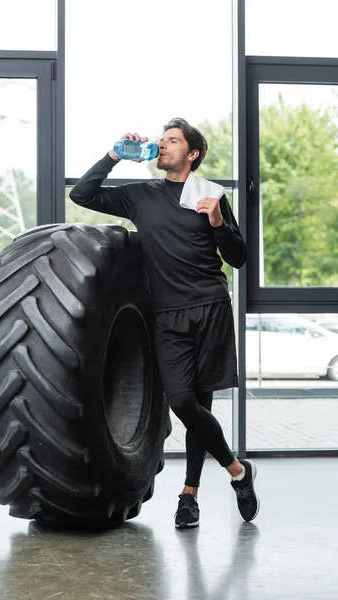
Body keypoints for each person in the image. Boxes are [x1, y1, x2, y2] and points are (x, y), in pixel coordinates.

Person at [70, 117, 259, 528]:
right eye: (162, 140)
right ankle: (238, 471)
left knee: (200, 405)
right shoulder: (141, 196)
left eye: (172, 141)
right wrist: (113, 154)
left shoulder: (211, 195)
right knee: (182, 402)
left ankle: (188, 497)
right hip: (168, 315)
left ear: (191, 154)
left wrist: (219, 225)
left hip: (210, 307)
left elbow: (239, 257)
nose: (163, 145)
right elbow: (83, 193)